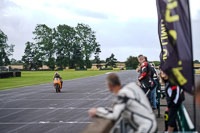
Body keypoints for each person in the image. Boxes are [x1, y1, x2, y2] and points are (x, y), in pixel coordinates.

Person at [89, 73, 157, 133]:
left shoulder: (123, 94)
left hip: (146, 128)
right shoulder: (130, 87)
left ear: (109, 86)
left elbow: (114, 115)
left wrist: (97, 111)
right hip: (150, 123)